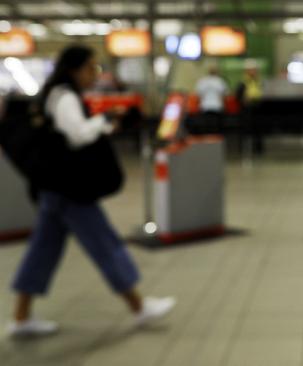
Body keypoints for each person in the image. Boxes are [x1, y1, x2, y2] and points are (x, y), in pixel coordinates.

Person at [7, 45, 175, 338]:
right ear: (75, 68)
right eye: (91, 69)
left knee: (42, 252)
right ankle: (139, 307)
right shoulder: (64, 96)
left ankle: (21, 317)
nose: (93, 75)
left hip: (54, 188)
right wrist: (104, 120)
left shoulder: (54, 94)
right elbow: (78, 134)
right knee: (104, 243)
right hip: (69, 188)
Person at [195, 66, 228, 134]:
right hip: (217, 106)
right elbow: (225, 94)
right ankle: (215, 137)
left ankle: (207, 137)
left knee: (206, 124)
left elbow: (198, 94)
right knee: (216, 125)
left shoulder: (203, 81)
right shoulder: (220, 81)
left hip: (205, 105)